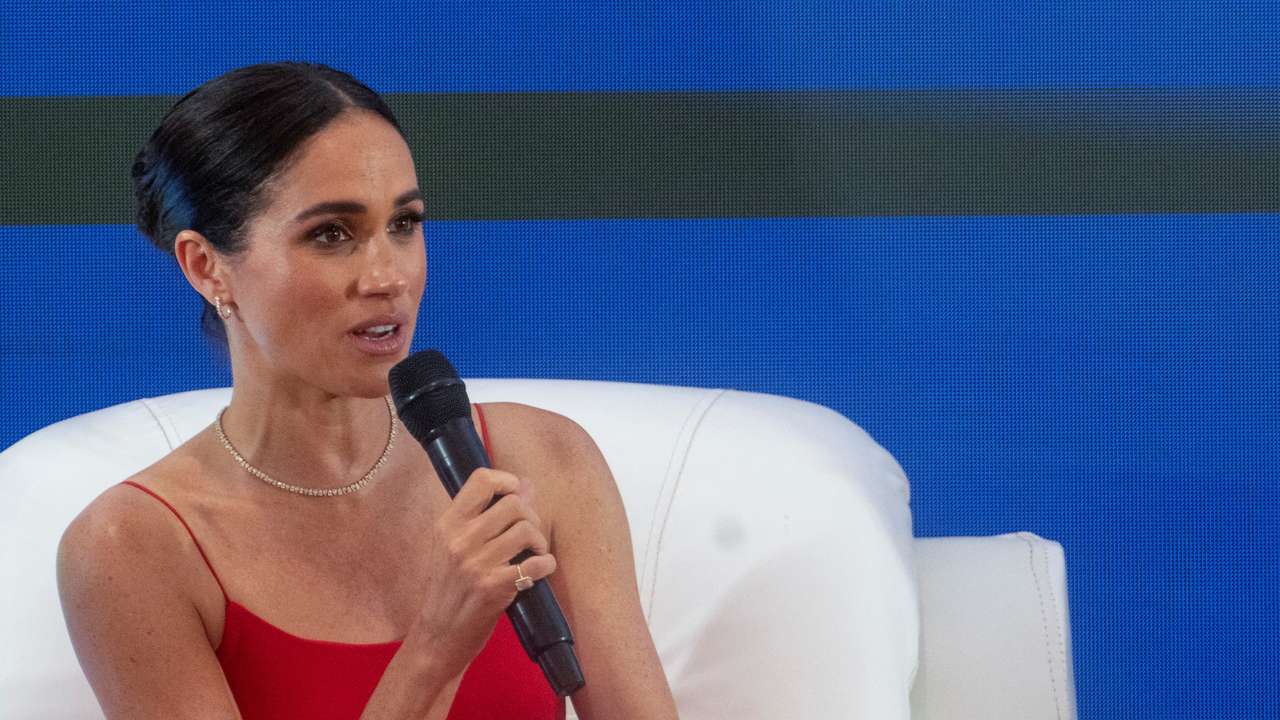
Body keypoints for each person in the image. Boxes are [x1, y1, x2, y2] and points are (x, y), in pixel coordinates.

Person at [56, 61, 679, 720]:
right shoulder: (131, 549)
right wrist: (435, 649)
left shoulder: (542, 459)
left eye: (404, 224)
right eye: (331, 234)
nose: (388, 276)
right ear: (207, 266)